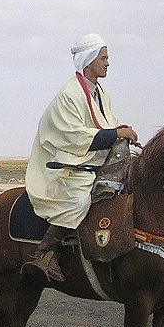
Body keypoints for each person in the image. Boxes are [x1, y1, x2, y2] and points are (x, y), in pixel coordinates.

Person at [22, 33, 139, 283]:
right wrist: (115, 134)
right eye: (104, 58)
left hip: (95, 160)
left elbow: (106, 125)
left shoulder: (101, 92)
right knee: (78, 200)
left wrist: (121, 135)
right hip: (70, 164)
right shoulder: (70, 94)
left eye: (108, 58)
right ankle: (45, 252)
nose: (108, 63)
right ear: (89, 60)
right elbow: (74, 136)